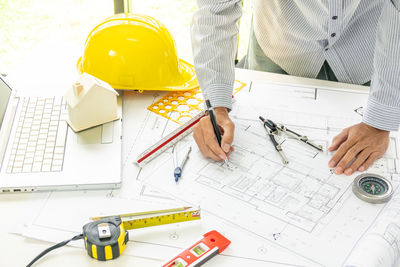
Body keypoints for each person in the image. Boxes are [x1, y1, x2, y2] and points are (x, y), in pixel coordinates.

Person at [191, 0, 400, 176]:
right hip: (279, 41)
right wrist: (216, 106)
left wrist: (379, 122)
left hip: (366, 46)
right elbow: (216, 9)